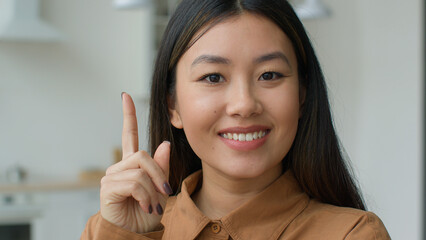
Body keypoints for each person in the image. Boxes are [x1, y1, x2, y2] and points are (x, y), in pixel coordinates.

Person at [81, 0, 390, 239]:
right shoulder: (113, 228)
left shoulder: (352, 234)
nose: (244, 104)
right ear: (172, 106)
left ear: (302, 96)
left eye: (269, 75)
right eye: (213, 77)